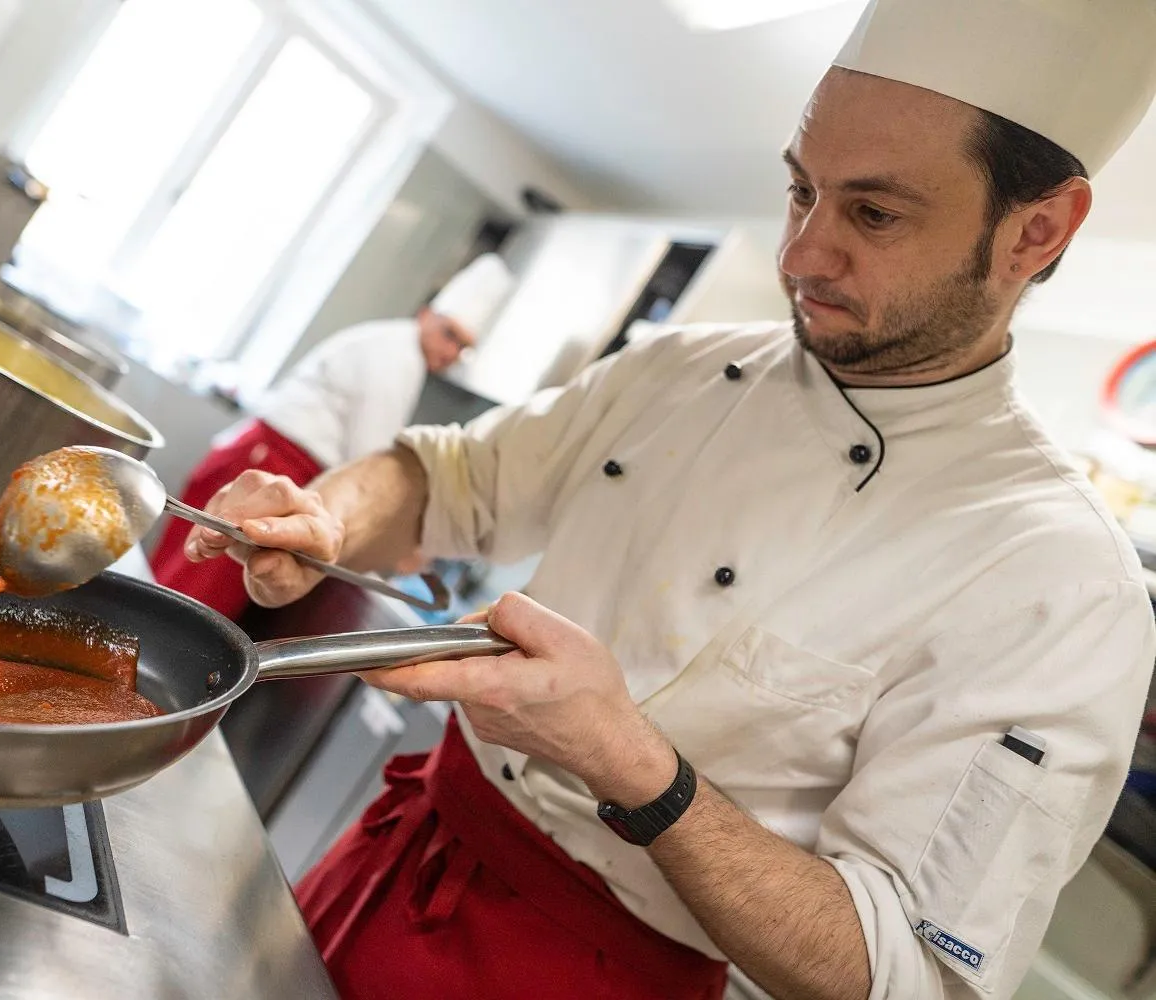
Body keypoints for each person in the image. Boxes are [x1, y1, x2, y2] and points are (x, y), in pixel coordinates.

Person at [183, 1, 1156, 997]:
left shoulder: (1060, 585)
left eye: (874, 213)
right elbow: (450, 475)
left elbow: (907, 969)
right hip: (396, 854)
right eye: (799, 191)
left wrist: (632, 762)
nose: (799, 255)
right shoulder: (683, 369)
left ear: (1036, 232)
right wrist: (334, 514)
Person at [148, 254, 514, 620]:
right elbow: (370, 466)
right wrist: (404, 541)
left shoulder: (396, 348)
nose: (451, 352)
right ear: (424, 315)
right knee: (185, 607)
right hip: (270, 470)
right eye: (449, 334)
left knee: (170, 591)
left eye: (462, 347)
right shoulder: (396, 358)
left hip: (260, 463)